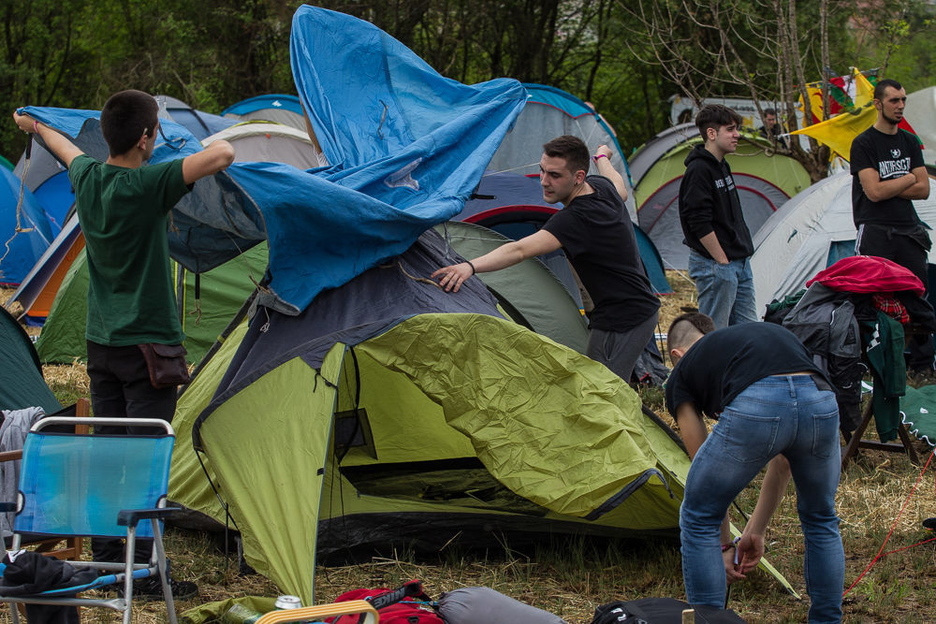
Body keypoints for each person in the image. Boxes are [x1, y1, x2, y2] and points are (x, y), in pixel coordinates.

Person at [13, 90, 235, 599]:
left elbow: (60, 143)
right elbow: (223, 155)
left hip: (102, 345)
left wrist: (32, 123)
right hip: (149, 349)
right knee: (143, 462)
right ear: (145, 137)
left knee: (109, 455)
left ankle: (109, 564)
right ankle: (148, 575)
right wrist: (179, 148)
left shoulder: (88, 177)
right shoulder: (148, 182)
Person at [432, 135, 660, 383]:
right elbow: (620, 187)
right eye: (542, 171)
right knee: (595, 388)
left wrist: (470, 266)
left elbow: (518, 250)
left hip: (626, 318)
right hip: (623, 312)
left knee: (608, 393)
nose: (544, 181)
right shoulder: (600, 187)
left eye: (554, 175)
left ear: (578, 177)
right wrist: (603, 157)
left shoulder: (575, 219)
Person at [665, 313, 844, 623]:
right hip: (820, 399)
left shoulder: (682, 373)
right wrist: (755, 530)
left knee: (697, 516)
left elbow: (702, 472)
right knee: (821, 517)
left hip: (758, 401)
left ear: (676, 356)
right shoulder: (752, 340)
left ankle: (710, 620)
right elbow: (784, 462)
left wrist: (723, 546)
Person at [850, 78, 934, 382]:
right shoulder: (864, 143)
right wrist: (907, 179)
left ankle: (922, 366)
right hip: (874, 229)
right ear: (877, 103)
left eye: (903, 100)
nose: (900, 106)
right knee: (871, 296)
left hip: (908, 230)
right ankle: (868, 364)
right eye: (894, 101)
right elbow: (873, 192)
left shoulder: (910, 142)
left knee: (916, 295)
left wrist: (895, 185)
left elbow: (924, 189)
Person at [678, 104, 756, 329]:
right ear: (711, 134)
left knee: (747, 330)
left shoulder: (722, 165)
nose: (737, 135)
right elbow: (697, 220)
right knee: (715, 333)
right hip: (716, 264)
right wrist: (721, 260)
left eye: (737, 129)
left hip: (739, 261)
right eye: (730, 129)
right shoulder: (699, 170)